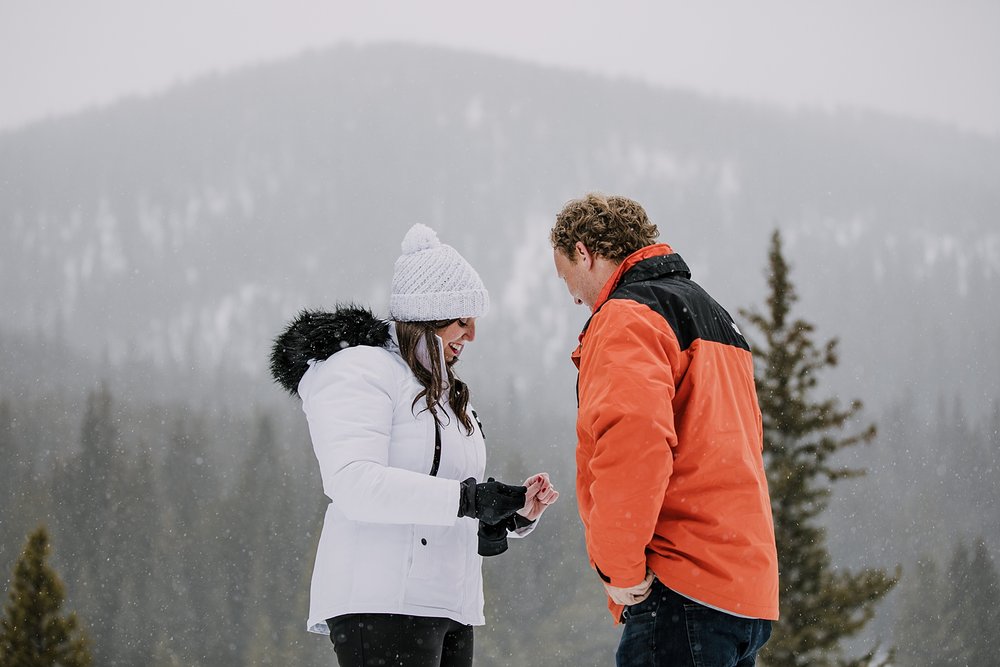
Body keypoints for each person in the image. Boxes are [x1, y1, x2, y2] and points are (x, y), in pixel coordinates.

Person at [270, 223, 558, 667]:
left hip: (450, 604)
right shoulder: (361, 370)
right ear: (431, 313)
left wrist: (510, 512)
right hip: (382, 600)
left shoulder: (446, 394)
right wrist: (468, 499)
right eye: (463, 320)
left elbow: (450, 502)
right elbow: (353, 483)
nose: (473, 334)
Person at [549, 193, 778, 667]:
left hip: (682, 587)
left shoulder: (626, 316)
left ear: (584, 253)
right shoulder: (714, 316)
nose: (572, 295)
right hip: (743, 590)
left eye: (565, 276)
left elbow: (634, 444)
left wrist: (620, 570)